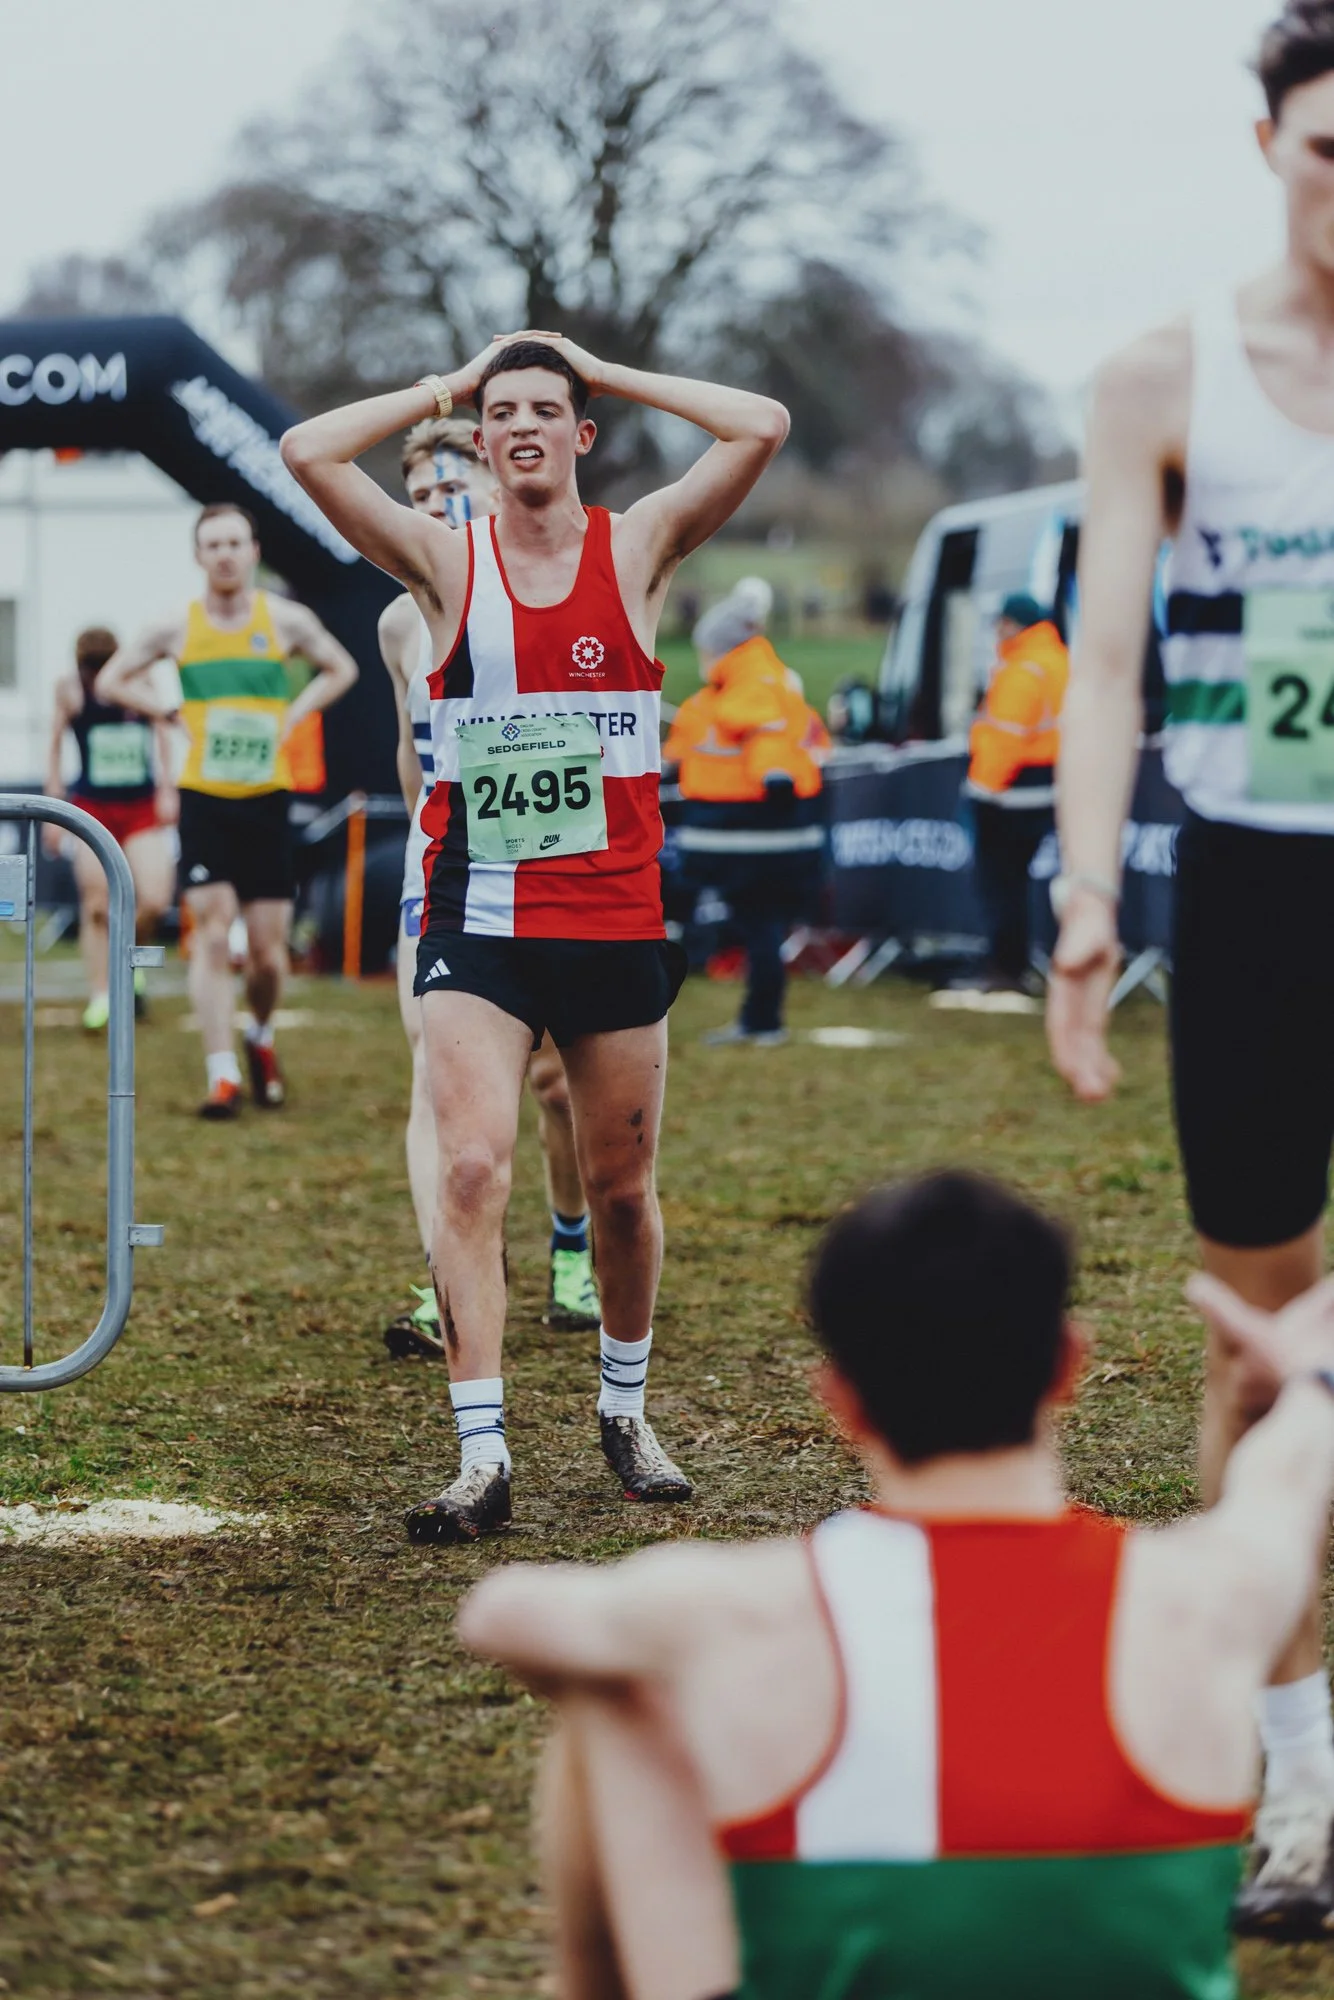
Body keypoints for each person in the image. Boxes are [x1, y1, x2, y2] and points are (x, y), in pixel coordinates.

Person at [460, 1169, 1334, 1999]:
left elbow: (500, 1613)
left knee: (610, 1695)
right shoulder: (1214, 1594)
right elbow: (1288, 1479)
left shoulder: (727, 1608)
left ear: (840, 1399)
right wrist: (1306, 1385)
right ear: (1069, 1366)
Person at [280, 331, 789, 1542]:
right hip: (480, 918)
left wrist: (601, 368)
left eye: (541, 409)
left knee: (619, 1192)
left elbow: (759, 422)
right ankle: (481, 1453)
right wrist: (438, 389)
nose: (516, 425)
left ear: (578, 434)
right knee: (469, 1168)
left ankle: (623, 1406)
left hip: (611, 917)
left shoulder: (642, 544)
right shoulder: (445, 565)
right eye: (498, 410)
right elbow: (305, 449)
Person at [1047, 1, 1334, 1929]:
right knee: (1261, 1330)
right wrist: (1081, 898)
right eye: (1330, 154)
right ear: (1268, 150)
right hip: (1245, 887)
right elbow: (1100, 666)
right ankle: (1284, 1782)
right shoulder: (1162, 377)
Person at [379, 415, 600, 1357]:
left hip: (555, 859)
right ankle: (447, 1276)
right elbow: (408, 755)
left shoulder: (556, 583)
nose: (437, 505)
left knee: (557, 1088)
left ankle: (570, 1245)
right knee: (436, 1080)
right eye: (421, 495)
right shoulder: (400, 618)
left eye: (452, 485)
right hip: (442, 874)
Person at [95, 505, 358, 1119]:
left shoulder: (286, 620)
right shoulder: (175, 628)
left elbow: (340, 667)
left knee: (267, 953)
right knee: (212, 937)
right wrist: (168, 713)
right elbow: (113, 680)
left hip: (267, 796)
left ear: (252, 550)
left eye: (234, 543)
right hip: (205, 796)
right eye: (212, 544)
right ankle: (221, 1074)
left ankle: (260, 1037)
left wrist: (295, 713)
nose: (224, 554)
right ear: (198, 555)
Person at [664, 580, 828, 1047]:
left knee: (759, 926)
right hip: (767, 836)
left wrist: (773, 775)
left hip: (748, 836)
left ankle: (762, 1021)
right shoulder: (742, 689)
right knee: (763, 927)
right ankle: (760, 1017)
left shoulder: (750, 689)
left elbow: (765, 735)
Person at [43, 626, 177, 1031]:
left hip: (140, 806)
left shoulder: (138, 682)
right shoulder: (69, 690)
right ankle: (101, 993)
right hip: (93, 807)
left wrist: (169, 787)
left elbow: (162, 729)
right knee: (97, 903)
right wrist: (53, 801)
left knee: (153, 898)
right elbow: (53, 743)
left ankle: (127, 958)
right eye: (91, 668)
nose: (99, 676)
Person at [962, 591, 1068, 992]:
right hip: (1048, 787)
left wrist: (981, 789)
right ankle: (1018, 965)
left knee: (1000, 884)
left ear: (1013, 624)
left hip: (1009, 794)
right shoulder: (1059, 661)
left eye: (1001, 623)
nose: (996, 631)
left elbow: (1005, 738)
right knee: (1020, 883)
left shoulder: (1022, 669)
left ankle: (1005, 968)